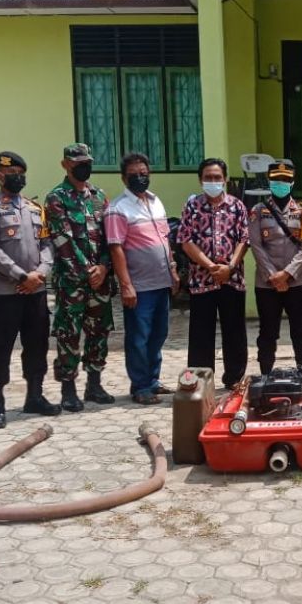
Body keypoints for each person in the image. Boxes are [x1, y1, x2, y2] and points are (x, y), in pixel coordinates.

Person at [0, 151, 61, 427]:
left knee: (37, 345)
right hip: (4, 295)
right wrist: (22, 276)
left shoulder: (35, 209)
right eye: (10, 173)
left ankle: (34, 395)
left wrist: (41, 273)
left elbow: (47, 245)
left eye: (20, 173)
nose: (16, 177)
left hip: (35, 292)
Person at [45, 143, 116, 411]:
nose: (83, 166)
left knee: (99, 331)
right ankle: (68, 389)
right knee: (68, 334)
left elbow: (111, 238)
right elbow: (62, 239)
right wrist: (90, 271)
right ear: (65, 165)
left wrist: (104, 268)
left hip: (101, 279)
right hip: (71, 282)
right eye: (77, 162)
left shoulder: (99, 196)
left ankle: (94, 385)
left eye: (86, 161)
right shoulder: (56, 198)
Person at [107, 152, 180, 405]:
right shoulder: (118, 209)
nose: (140, 178)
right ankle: (140, 386)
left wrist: (172, 268)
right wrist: (126, 285)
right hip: (139, 286)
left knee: (158, 334)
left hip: (161, 281)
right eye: (134, 175)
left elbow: (164, 239)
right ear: (123, 178)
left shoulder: (155, 201)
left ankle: (152, 380)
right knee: (139, 336)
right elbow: (116, 248)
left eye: (144, 174)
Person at [178, 158, 250, 389]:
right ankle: (201, 383)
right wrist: (211, 267)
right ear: (200, 180)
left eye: (217, 177)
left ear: (225, 179)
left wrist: (229, 267)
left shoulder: (237, 206)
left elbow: (244, 239)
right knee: (201, 334)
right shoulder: (192, 206)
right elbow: (185, 241)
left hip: (232, 279)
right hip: (202, 280)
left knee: (235, 332)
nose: (213, 181)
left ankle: (234, 379)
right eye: (208, 177)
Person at [249, 160, 302, 374]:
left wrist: (287, 274)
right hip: (267, 284)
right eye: (277, 180)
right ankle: (266, 373)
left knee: (301, 330)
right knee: (268, 331)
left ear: (292, 182)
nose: (281, 183)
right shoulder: (258, 211)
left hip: (298, 282)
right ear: (270, 182)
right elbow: (255, 245)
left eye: (286, 180)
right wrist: (273, 275)